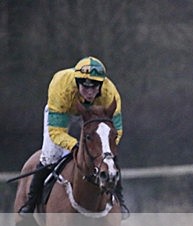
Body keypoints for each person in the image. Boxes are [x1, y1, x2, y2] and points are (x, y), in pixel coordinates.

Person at [19, 56, 128, 216]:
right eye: (85, 86)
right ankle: (31, 203)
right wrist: (75, 146)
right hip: (63, 110)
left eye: (95, 87)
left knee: (108, 158)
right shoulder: (61, 88)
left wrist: (103, 149)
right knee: (50, 156)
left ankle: (120, 200)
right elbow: (56, 132)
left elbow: (115, 132)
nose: (90, 92)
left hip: (95, 115)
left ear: (101, 85)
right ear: (77, 83)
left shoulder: (110, 94)